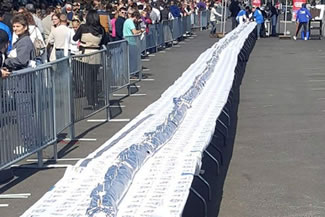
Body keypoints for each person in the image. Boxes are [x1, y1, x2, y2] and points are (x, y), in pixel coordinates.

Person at [73, 10, 109, 108]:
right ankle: (95, 99)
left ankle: (91, 101)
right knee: (94, 78)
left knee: (87, 79)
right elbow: (105, 41)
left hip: (85, 55)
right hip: (97, 55)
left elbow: (75, 38)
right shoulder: (101, 29)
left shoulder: (83, 27)